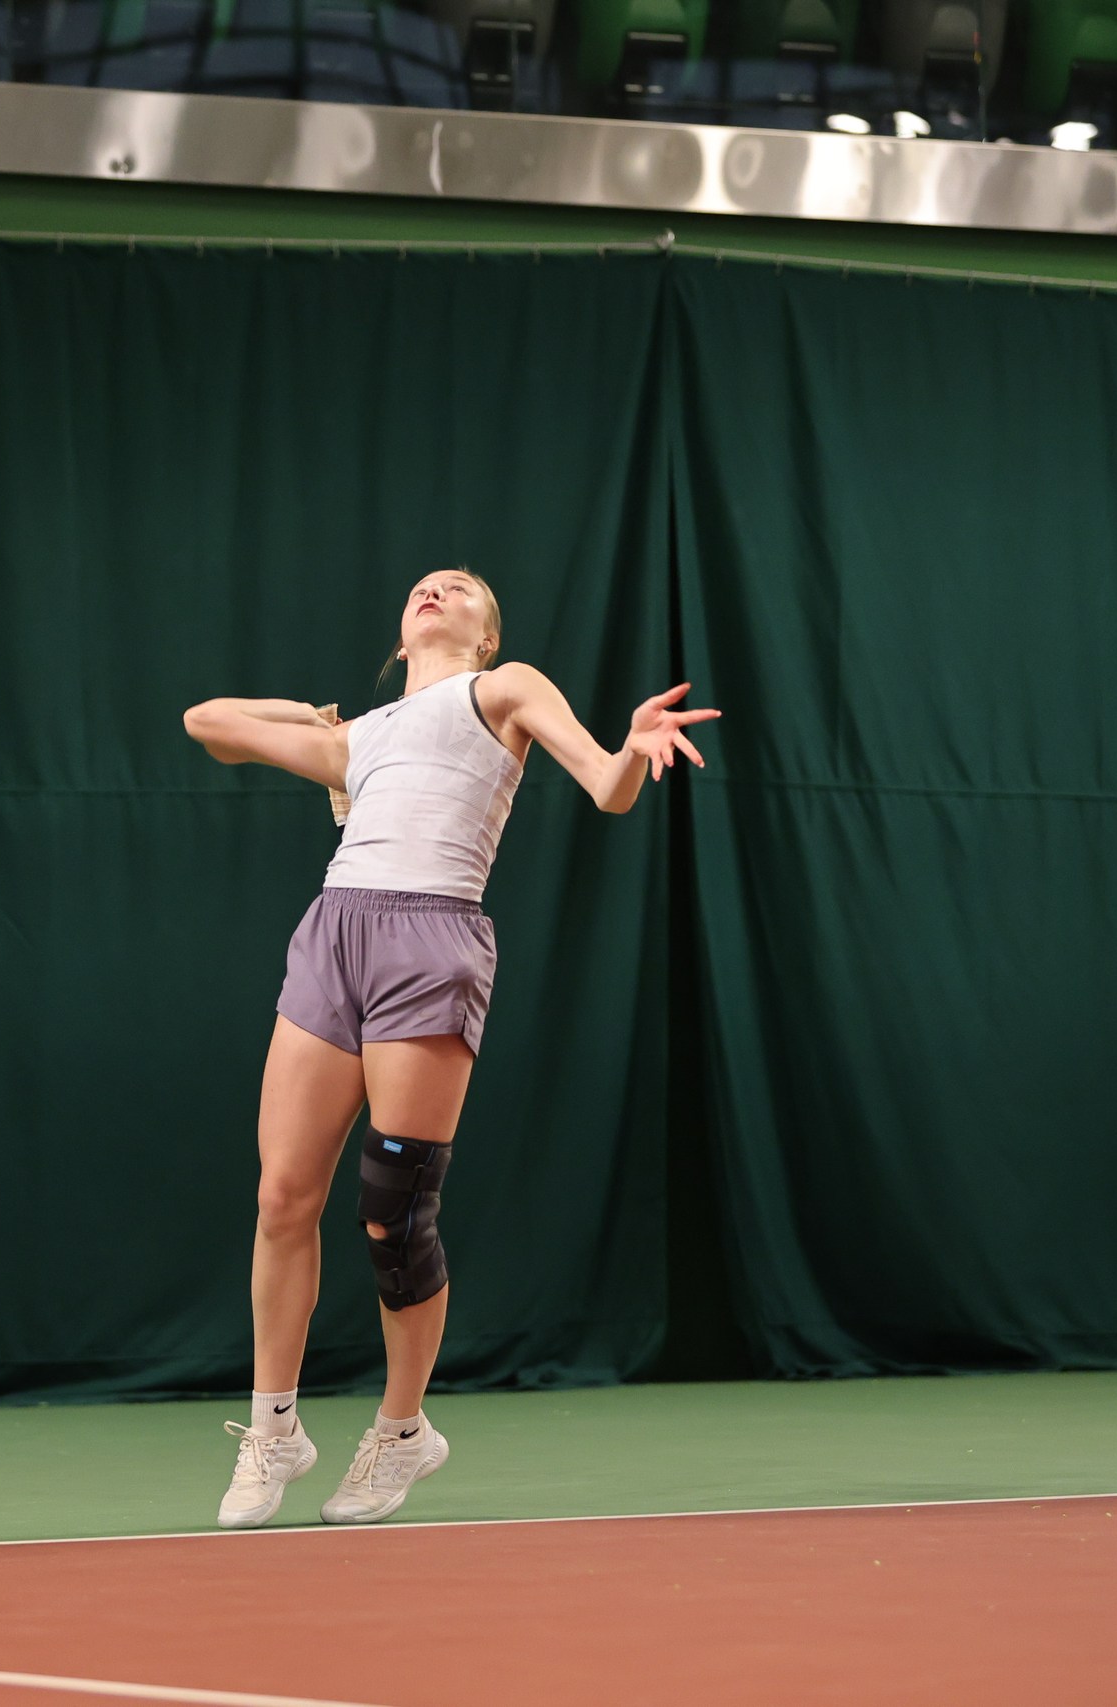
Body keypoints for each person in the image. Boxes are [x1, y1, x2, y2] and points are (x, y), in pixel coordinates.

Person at [181, 567, 719, 1528]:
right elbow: (207, 722)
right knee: (282, 1197)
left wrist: (634, 747)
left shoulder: (503, 688)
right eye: (425, 587)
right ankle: (274, 1430)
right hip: (333, 934)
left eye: (461, 588)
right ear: (401, 635)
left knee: (395, 1214)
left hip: (432, 940)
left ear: (486, 635)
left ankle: (402, 1431)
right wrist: (316, 719)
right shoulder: (358, 739)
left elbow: (607, 788)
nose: (437, 589)